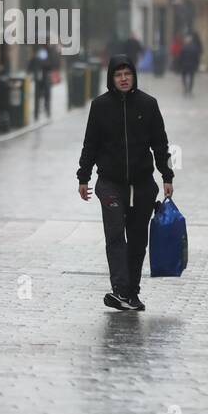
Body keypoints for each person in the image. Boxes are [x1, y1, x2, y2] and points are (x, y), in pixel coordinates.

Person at [77, 55, 175, 313]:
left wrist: (166, 176)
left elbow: (160, 144)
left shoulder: (148, 105)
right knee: (115, 235)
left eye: (127, 74)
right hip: (110, 183)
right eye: (118, 74)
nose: (123, 78)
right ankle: (120, 289)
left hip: (142, 185)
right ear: (111, 78)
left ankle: (132, 292)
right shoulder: (99, 106)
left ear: (134, 76)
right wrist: (83, 177)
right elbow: (90, 144)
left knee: (138, 239)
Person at [178, 30, 201, 95]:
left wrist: (179, 64)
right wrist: (197, 64)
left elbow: (180, 57)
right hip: (192, 65)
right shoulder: (194, 48)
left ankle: (185, 87)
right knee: (191, 77)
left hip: (184, 65)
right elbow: (196, 57)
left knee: (184, 76)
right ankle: (190, 89)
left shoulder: (183, 48)